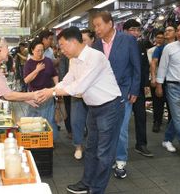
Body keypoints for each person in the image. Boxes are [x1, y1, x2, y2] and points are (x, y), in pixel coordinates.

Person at [38, 27, 124, 194]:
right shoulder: (73, 60)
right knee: (91, 149)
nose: (61, 50)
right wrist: (50, 91)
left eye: (62, 45)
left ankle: (96, 189)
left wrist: (52, 92)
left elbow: (79, 87)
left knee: (103, 153)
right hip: (94, 108)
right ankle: (87, 182)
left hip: (110, 107)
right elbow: (67, 80)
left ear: (74, 42)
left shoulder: (95, 57)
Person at [92, 11, 141, 179]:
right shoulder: (96, 44)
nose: (96, 29)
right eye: (94, 26)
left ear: (110, 24)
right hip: (103, 94)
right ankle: (108, 158)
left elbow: (136, 66)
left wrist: (135, 89)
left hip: (124, 92)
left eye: (99, 25)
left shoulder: (127, 40)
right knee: (105, 129)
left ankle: (121, 160)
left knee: (120, 128)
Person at [122, 19, 153, 157]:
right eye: (132, 30)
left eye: (137, 30)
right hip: (123, 90)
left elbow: (145, 67)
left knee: (141, 117)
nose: (135, 33)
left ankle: (141, 144)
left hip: (139, 89)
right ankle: (118, 150)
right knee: (121, 121)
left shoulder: (140, 46)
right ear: (124, 31)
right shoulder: (119, 46)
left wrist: (146, 86)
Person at [23, 38, 59, 140]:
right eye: (38, 50)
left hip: (47, 95)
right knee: (32, 121)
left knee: (48, 120)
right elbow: (26, 80)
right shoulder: (29, 64)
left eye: (42, 50)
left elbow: (54, 74)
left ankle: (49, 141)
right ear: (32, 50)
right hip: (33, 96)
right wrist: (37, 70)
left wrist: (57, 87)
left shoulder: (48, 61)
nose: (40, 53)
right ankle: (34, 140)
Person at [70, 29, 95, 160]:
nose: (82, 43)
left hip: (93, 96)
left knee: (92, 124)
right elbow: (69, 76)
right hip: (77, 95)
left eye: (84, 40)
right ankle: (78, 146)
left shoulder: (97, 56)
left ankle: (91, 148)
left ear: (92, 40)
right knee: (76, 121)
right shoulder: (73, 57)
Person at [156, 24, 180, 152]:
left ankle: (167, 140)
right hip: (173, 86)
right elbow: (162, 67)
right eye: (178, 30)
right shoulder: (169, 48)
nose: (179, 32)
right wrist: (159, 85)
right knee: (178, 118)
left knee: (177, 118)